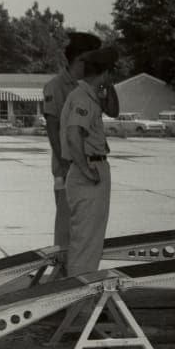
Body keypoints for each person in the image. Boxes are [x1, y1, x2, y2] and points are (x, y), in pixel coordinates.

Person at [43, 32, 119, 278]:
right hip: (73, 168)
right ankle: (73, 295)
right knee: (76, 239)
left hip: (79, 167)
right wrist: (78, 167)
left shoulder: (89, 89)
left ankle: (71, 290)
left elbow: (114, 111)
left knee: (83, 238)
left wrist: (107, 83)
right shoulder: (63, 88)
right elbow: (61, 131)